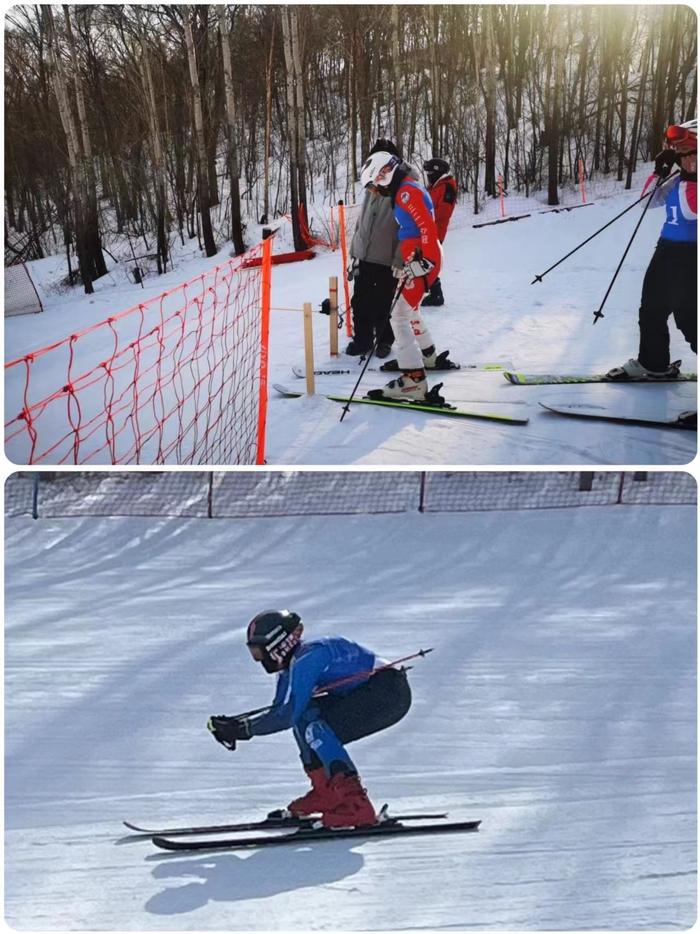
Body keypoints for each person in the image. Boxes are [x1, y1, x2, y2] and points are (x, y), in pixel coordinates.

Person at [207, 610, 412, 829]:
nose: (258, 660)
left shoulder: (308, 658)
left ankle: (356, 806)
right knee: (305, 717)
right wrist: (239, 726)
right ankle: (328, 794)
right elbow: (281, 710)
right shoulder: (291, 665)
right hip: (376, 691)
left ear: (277, 645)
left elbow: (285, 715)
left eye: (258, 652)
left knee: (316, 729)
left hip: (389, 694)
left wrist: (243, 729)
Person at [359, 150, 453, 401]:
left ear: (383, 175)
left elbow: (427, 228)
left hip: (423, 256)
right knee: (408, 311)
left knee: (398, 315)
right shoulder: (404, 189)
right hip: (418, 255)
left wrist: (426, 261)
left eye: (374, 185)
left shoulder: (406, 191)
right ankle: (428, 355)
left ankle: (414, 380)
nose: (374, 191)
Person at [607, 119, 697, 380]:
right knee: (652, 309)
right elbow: (647, 202)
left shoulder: (690, 182)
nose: (681, 158)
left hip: (691, 257)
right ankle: (653, 363)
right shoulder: (680, 179)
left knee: (691, 320)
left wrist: (690, 175)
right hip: (666, 251)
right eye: (678, 153)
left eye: (686, 151)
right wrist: (660, 172)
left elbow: (691, 211)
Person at [345, 139, 416, 359]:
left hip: (387, 258)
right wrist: (355, 250)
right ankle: (362, 340)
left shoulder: (405, 184)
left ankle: (385, 340)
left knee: (384, 302)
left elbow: (408, 226)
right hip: (365, 253)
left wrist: (399, 259)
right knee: (360, 301)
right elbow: (364, 217)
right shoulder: (373, 181)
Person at [421, 158, 458, 307]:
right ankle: (433, 291)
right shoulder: (435, 186)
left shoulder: (447, 187)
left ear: (438, 172)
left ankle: (436, 294)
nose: (428, 175)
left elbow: (443, 211)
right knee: (425, 260)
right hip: (426, 229)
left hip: (436, 231)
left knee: (429, 261)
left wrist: (423, 215)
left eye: (430, 172)